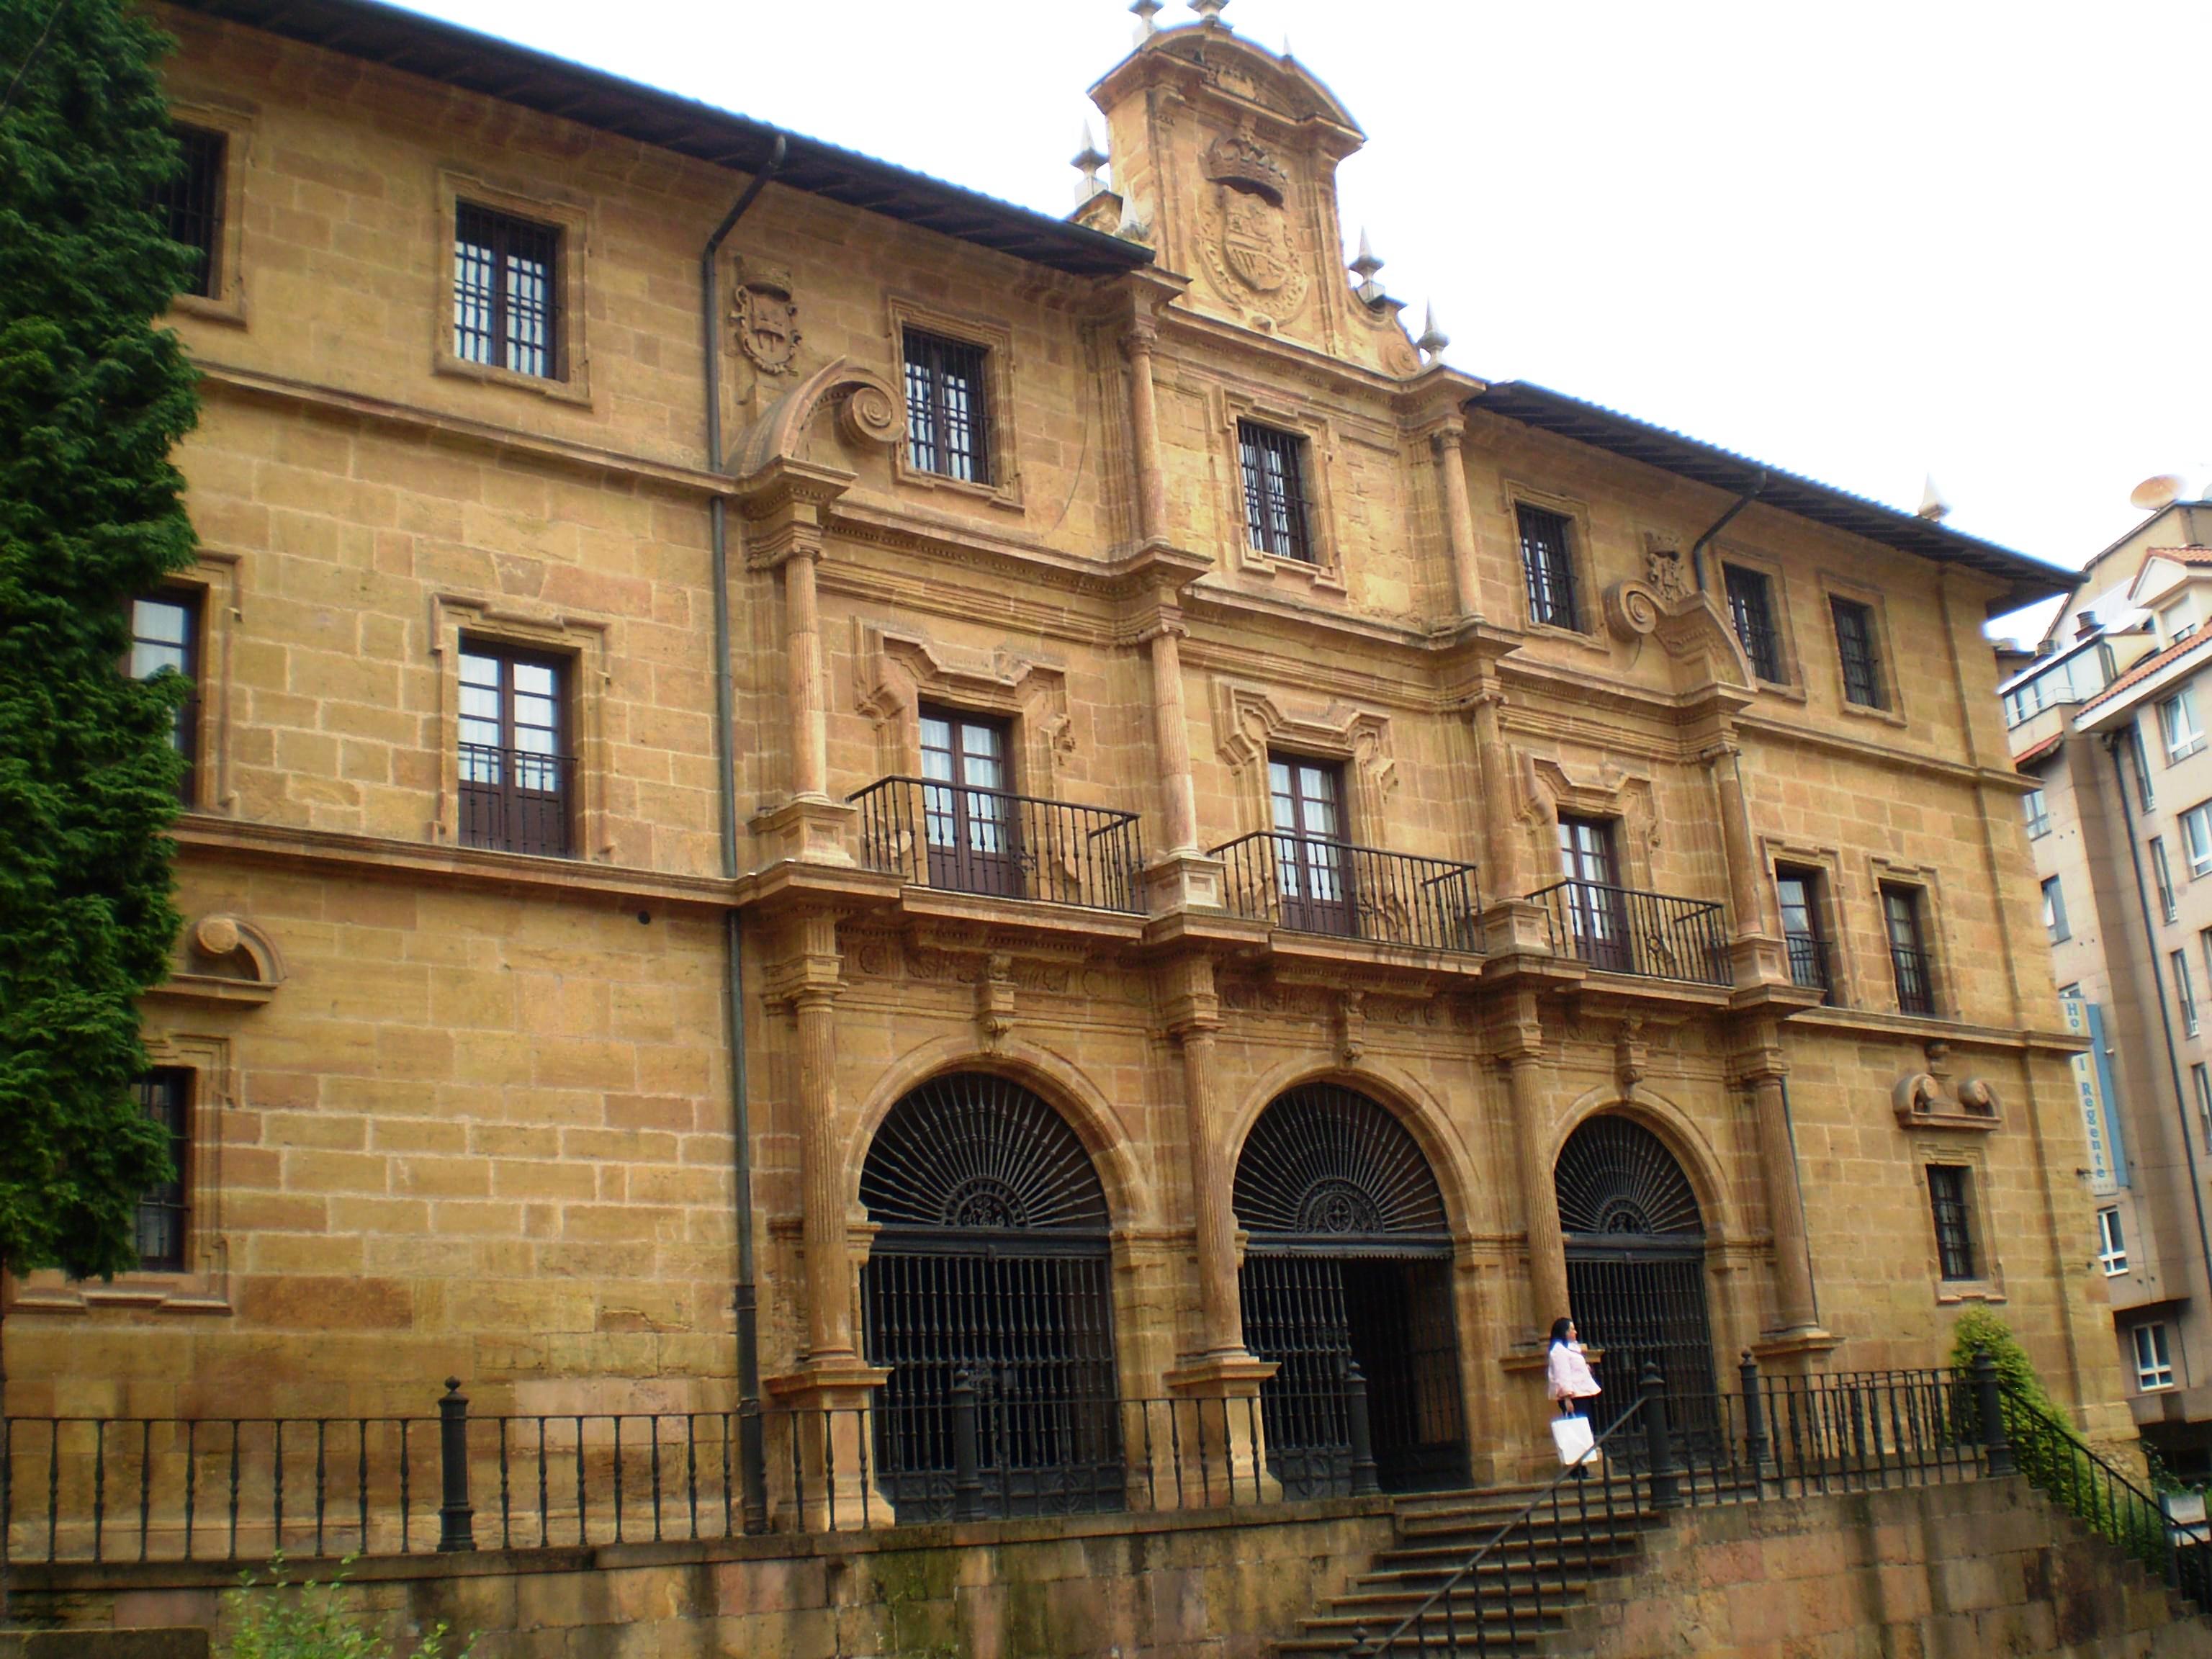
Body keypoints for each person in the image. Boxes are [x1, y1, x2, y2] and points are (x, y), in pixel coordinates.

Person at [1547, 1316, 1601, 1416]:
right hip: (1574, 1397)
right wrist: (1567, 1398)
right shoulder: (1559, 1350)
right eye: (1572, 1329)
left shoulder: (1571, 1347)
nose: (1575, 1332)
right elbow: (1562, 1375)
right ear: (1564, 1332)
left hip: (1581, 1393)